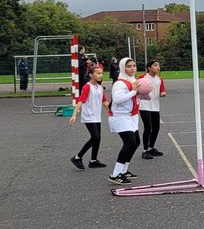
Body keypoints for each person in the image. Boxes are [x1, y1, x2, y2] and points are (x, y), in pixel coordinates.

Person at [107, 57, 142, 185]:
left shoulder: (134, 80)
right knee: (129, 143)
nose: (132, 68)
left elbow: (135, 97)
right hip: (120, 117)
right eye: (129, 66)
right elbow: (117, 99)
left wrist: (143, 93)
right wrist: (133, 91)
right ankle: (115, 174)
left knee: (136, 142)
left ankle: (124, 170)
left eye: (134, 65)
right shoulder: (119, 83)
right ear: (123, 68)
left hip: (132, 116)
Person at [69, 63, 108, 170]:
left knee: (98, 138)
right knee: (95, 137)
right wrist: (74, 114)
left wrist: (112, 112)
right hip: (88, 116)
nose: (101, 75)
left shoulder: (100, 88)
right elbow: (81, 100)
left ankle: (93, 160)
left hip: (96, 116)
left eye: (101, 73)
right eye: (98, 73)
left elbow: (104, 101)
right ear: (91, 75)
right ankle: (77, 157)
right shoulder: (87, 87)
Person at [138, 61, 167, 160]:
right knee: (148, 128)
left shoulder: (159, 79)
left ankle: (151, 148)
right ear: (149, 68)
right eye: (155, 65)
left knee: (156, 128)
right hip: (144, 106)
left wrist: (163, 93)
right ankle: (145, 150)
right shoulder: (142, 77)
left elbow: (162, 90)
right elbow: (136, 89)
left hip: (155, 106)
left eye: (158, 65)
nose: (158, 67)